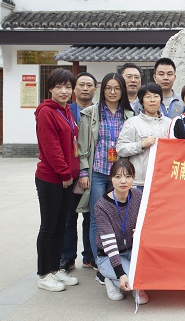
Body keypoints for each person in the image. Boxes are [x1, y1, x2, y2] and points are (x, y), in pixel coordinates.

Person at [76, 73, 134, 275]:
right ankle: (99, 262)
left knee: (119, 216)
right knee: (95, 217)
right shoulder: (91, 113)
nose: (112, 92)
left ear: (122, 91)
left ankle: (115, 260)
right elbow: (82, 146)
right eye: (108, 88)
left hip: (120, 175)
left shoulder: (129, 115)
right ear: (102, 90)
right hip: (98, 172)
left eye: (117, 88)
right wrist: (83, 172)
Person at [34, 68, 80, 291]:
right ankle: (44, 274)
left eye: (68, 87)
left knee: (61, 225)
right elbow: (51, 148)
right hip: (52, 178)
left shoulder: (66, 110)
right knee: (49, 227)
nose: (64, 91)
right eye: (59, 86)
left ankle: (54, 269)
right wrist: (64, 174)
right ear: (50, 88)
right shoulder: (46, 112)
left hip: (66, 178)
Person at [95, 159, 148, 304]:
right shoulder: (101, 206)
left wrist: (142, 230)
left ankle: (126, 279)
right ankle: (110, 278)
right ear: (111, 178)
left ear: (133, 178)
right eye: (118, 177)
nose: (123, 181)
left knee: (154, 273)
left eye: (128, 176)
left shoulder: (138, 196)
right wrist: (121, 273)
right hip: (108, 255)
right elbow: (109, 244)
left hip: (132, 251)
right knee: (132, 278)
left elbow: (148, 221)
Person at [60, 72, 97, 272]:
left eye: (89, 85)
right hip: (70, 171)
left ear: (95, 89)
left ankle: (89, 256)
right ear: (74, 89)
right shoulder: (66, 111)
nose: (85, 88)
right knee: (69, 217)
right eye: (81, 85)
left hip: (92, 172)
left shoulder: (99, 111)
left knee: (90, 216)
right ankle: (67, 257)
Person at [117, 83, 172, 190]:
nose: (152, 100)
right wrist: (141, 145)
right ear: (141, 100)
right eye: (148, 97)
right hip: (140, 182)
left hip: (163, 181)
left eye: (156, 96)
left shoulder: (169, 123)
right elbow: (121, 149)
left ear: (161, 99)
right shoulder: (132, 123)